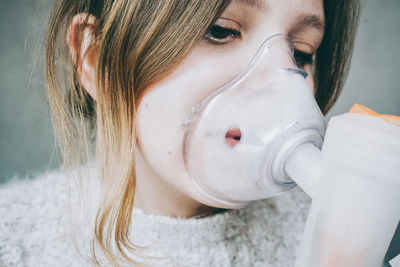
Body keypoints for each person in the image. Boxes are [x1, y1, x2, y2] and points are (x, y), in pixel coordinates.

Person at [0, 0, 361, 266]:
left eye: (301, 53)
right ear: (97, 60)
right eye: (220, 30)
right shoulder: (13, 238)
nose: (281, 77)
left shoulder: (338, 236)